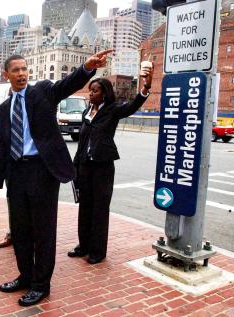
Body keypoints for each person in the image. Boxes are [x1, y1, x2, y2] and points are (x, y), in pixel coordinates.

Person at [0, 49, 112, 307]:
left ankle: (41, 285)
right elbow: (2, 145)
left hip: (43, 171)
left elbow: (67, 85)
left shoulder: (43, 91)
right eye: (16, 70)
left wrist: (86, 68)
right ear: (6, 75)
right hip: (16, 173)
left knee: (43, 231)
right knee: (20, 230)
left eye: (24, 69)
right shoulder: (3, 109)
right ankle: (25, 276)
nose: (22, 74)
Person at [67, 63, 154, 265]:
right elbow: (82, 142)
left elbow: (132, 106)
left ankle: (97, 251)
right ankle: (84, 246)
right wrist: (75, 166)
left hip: (103, 167)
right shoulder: (86, 113)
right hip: (84, 166)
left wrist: (145, 88)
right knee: (85, 207)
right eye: (90, 90)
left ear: (104, 94)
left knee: (99, 209)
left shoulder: (113, 110)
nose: (91, 94)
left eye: (95, 91)